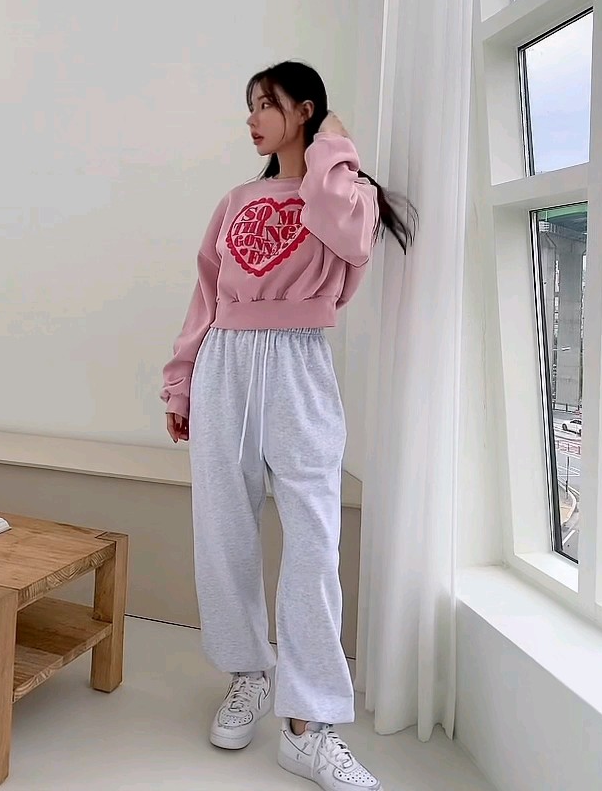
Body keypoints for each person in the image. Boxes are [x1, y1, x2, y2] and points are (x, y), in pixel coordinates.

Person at [161, 60, 415, 791]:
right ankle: (248, 673)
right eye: (249, 106)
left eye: (266, 105)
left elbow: (350, 241)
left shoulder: (347, 193)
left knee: (314, 541)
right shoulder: (236, 199)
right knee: (223, 528)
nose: (251, 119)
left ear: (304, 110)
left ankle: (308, 726)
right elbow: (206, 295)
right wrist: (181, 380)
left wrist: (334, 144)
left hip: (299, 361)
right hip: (225, 361)